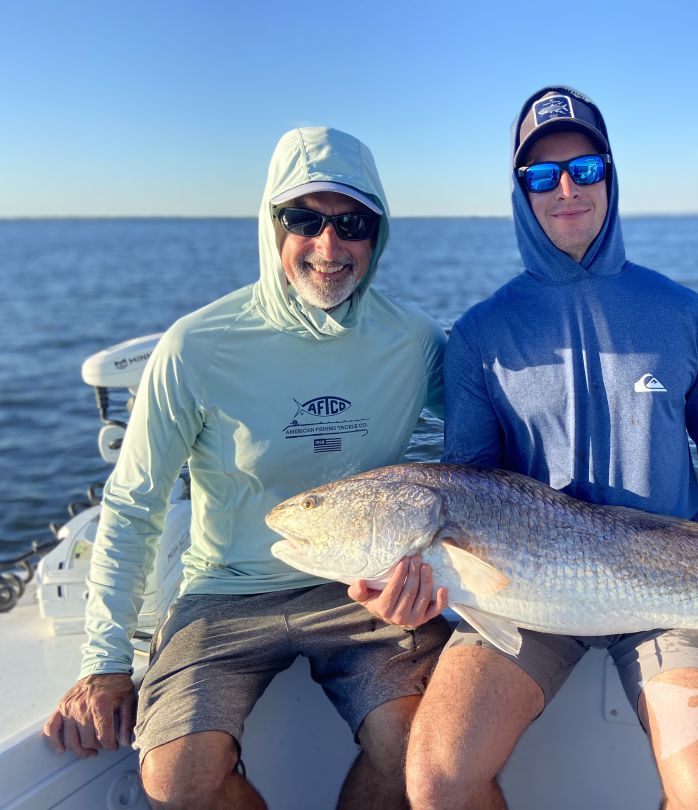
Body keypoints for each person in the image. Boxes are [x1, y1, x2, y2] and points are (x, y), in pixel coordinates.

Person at [383, 87, 698, 810]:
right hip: (527, 589)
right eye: (542, 175)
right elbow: (469, 484)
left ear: (610, 174)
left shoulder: (684, 312)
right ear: (521, 192)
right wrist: (427, 582)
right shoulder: (480, 332)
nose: (566, 188)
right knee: (439, 776)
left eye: (584, 168)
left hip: (671, 590)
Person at [43, 126, 452, 810]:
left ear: (378, 235)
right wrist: (105, 662)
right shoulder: (196, 346)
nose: (329, 246)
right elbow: (134, 504)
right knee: (177, 780)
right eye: (305, 219)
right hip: (224, 593)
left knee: (422, 747)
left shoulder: (413, 341)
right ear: (272, 226)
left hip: (366, 588)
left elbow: (501, 418)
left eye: (351, 223)